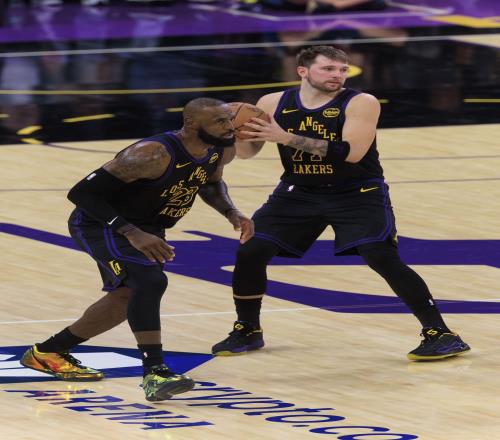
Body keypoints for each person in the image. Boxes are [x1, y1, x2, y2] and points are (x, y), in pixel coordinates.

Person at [211, 46, 470, 361]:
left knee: (379, 254)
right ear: (303, 71)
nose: (337, 75)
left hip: (357, 192)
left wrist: (285, 137)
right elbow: (248, 152)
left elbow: (351, 153)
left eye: (342, 70)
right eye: (328, 69)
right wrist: (233, 135)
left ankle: (440, 333)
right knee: (251, 250)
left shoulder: (361, 102)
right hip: (298, 191)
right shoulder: (271, 103)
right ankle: (248, 329)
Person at [20, 97, 254, 401]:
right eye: (220, 121)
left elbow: (210, 183)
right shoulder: (151, 154)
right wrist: (132, 232)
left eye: (229, 119)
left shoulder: (220, 148)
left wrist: (231, 212)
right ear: (191, 123)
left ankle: (48, 352)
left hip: (148, 227)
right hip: (102, 224)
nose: (230, 127)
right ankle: (155, 372)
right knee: (149, 282)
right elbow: (81, 193)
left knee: (126, 297)